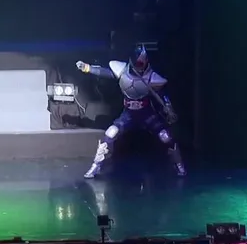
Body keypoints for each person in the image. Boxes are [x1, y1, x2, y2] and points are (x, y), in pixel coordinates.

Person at [75, 45, 186, 178]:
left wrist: (168, 107)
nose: (139, 68)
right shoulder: (122, 71)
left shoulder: (151, 77)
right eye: (137, 64)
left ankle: (179, 164)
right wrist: (87, 68)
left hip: (146, 113)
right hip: (128, 114)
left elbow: (162, 94)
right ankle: (96, 165)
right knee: (110, 133)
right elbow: (105, 72)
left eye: (141, 64)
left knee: (165, 136)